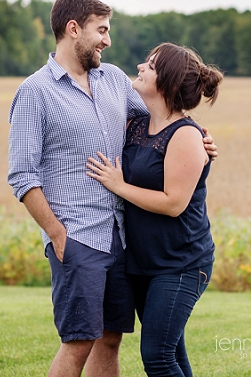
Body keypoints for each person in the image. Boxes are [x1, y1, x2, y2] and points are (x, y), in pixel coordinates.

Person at [7, 0, 217, 377]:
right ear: (74, 30)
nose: (107, 40)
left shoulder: (115, 81)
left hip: (120, 240)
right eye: (101, 30)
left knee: (109, 338)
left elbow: (164, 123)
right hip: (78, 236)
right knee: (78, 342)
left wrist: (200, 139)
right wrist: (57, 234)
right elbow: (22, 176)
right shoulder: (35, 93)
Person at [86, 42, 223, 377]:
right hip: (145, 263)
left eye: (151, 64)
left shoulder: (186, 135)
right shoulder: (136, 125)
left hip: (181, 262)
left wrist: (119, 186)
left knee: (157, 356)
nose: (141, 66)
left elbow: (174, 203)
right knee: (173, 354)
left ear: (169, 83)